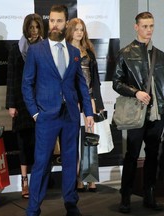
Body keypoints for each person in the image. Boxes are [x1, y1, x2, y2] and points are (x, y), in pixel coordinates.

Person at [22, 5, 94, 216]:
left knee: (71, 161)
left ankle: (71, 204)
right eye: (51, 21)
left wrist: (88, 112)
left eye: (59, 21)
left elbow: (81, 85)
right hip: (46, 115)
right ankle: (33, 208)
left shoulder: (73, 52)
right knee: (42, 163)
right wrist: (35, 112)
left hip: (70, 115)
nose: (54, 25)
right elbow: (27, 84)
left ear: (66, 23)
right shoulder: (36, 50)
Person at [112, 11, 164, 213]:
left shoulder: (160, 55)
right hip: (136, 112)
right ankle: (125, 196)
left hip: (157, 114)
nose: (148, 30)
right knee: (132, 154)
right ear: (136, 27)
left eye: (151, 26)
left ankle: (149, 194)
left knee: (153, 155)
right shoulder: (126, 53)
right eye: (144, 26)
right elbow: (116, 83)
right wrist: (136, 92)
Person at [6, 13, 44, 199]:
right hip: (21, 102)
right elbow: (11, 78)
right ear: (26, 28)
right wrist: (11, 104)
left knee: (40, 144)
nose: (34, 30)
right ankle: (24, 181)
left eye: (37, 27)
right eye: (31, 27)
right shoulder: (16, 49)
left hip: (42, 101)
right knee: (22, 143)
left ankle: (38, 181)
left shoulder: (46, 47)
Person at [66, 18, 105, 192]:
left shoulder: (88, 51)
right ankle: (76, 178)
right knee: (73, 138)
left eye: (82, 29)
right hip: (72, 99)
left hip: (89, 98)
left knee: (90, 139)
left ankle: (90, 178)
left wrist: (99, 102)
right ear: (70, 31)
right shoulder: (65, 50)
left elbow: (95, 80)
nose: (79, 32)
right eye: (76, 29)